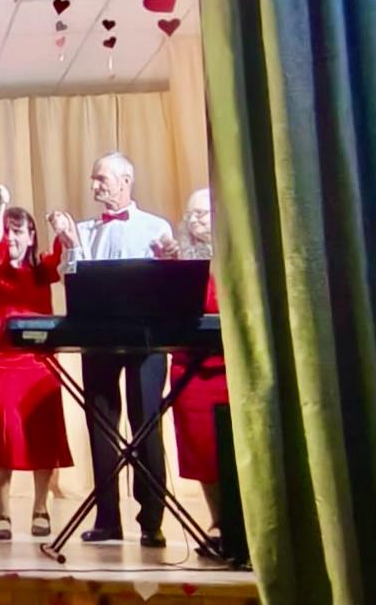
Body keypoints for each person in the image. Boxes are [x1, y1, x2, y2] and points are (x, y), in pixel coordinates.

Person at [47, 151, 176, 547]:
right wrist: (71, 245)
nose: (94, 185)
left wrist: (168, 262)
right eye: (93, 178)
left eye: (101, 178)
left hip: (146, 340)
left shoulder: (155, 226)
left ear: (125, 181)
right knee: (101, 427)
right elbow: (71, 282)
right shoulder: (84, 231)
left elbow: (168, 284)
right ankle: (107, 519)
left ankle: (151, 520)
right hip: (98, 338)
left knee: (145, 424)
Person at [0, 185, 73, 540]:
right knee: (2, 437)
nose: (13, 237)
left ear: (32, 236)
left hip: (39, 363)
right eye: (8, 231)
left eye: (19, 231)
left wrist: (64, 230)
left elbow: (66, 257)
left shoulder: (42, 269)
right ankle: (2, 509)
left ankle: (40, 506)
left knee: (42, 436)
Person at [164, 188, 227, 544]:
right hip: (190, 368)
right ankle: (218, 521)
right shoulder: (181, 260)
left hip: (230, 367)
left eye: (202, 213)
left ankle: (246, 521)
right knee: (201, 448)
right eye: (191, 215)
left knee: (233, 449)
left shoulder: (236, 257)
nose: (195, 220)